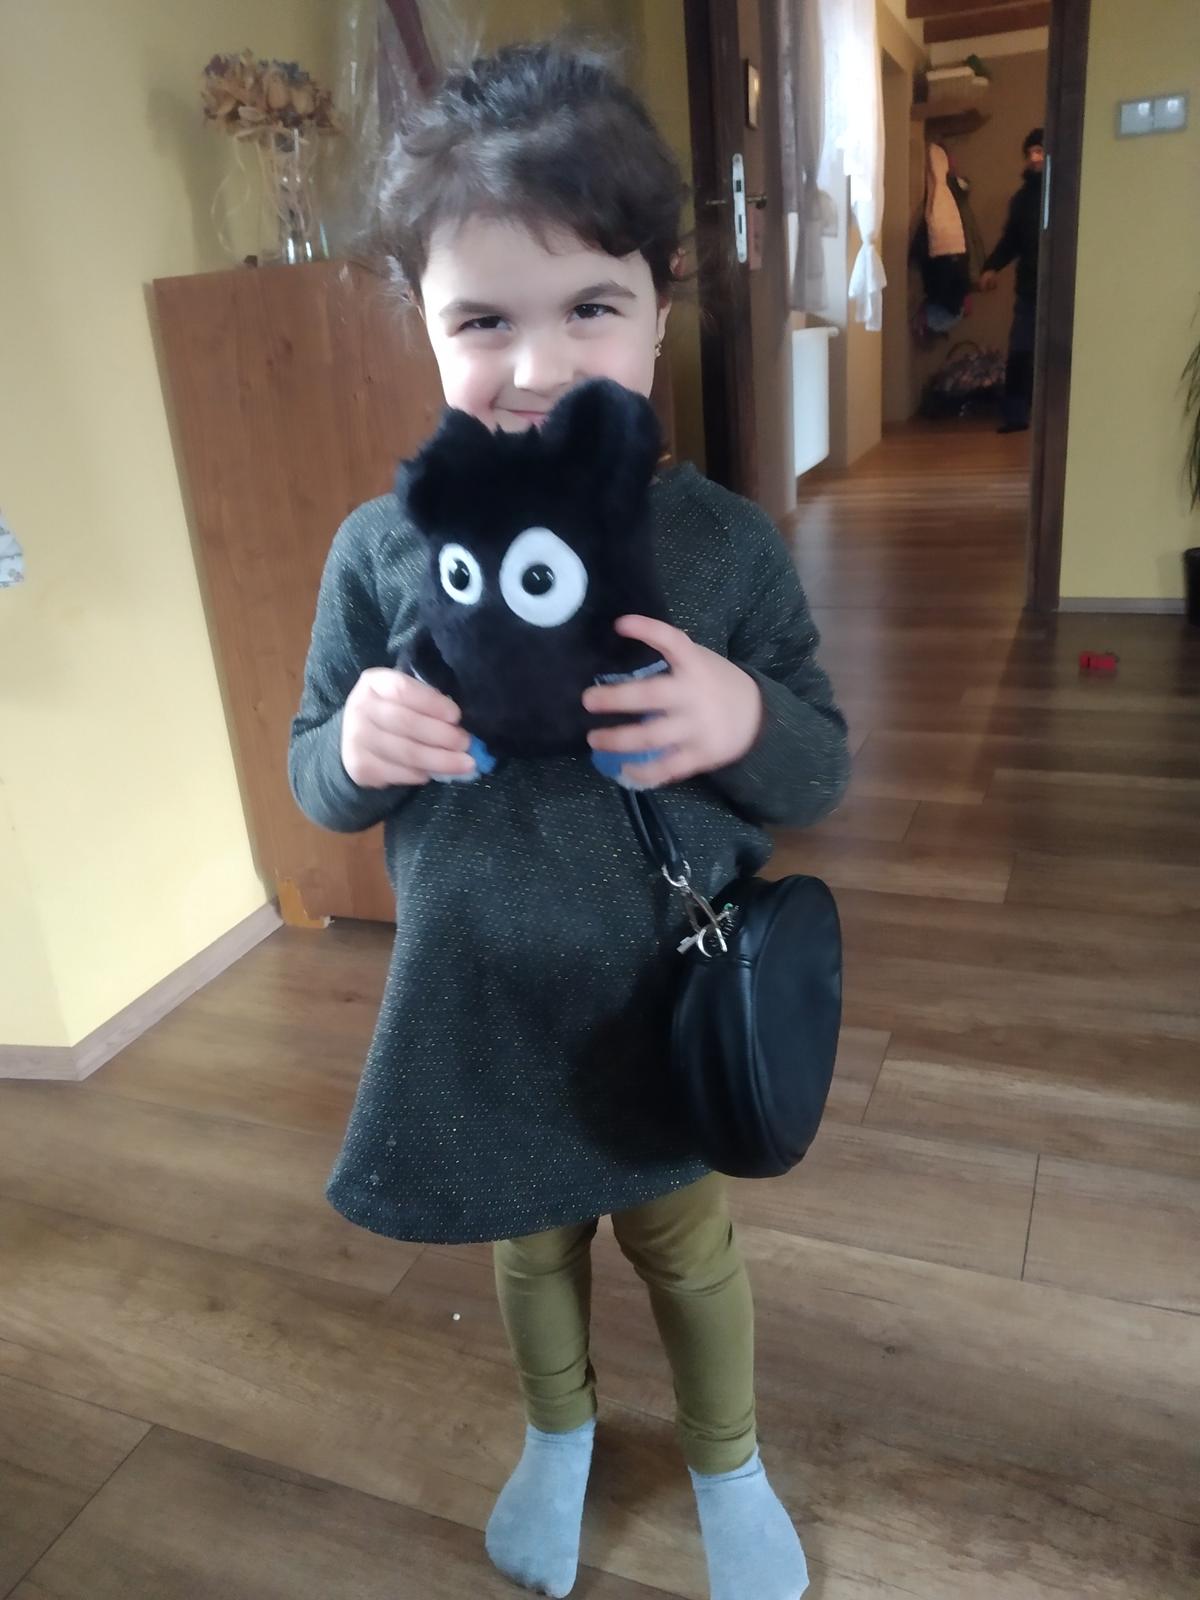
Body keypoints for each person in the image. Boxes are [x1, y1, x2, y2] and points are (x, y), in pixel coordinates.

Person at [289, 41, 849, 1600]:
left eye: (589, 307)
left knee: (685, 1248)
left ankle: (728, 1460)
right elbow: (313, 777)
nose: (535, 367)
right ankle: (558, 1434)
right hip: (478, 1003)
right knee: (527, 1248)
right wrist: (359, 744)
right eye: (482, 320)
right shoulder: (383, 547)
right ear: (421, 324)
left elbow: (819, 766)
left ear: (662, 311)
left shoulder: (723, 547)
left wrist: (744, 721)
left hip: (656, 995)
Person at [980, 126, 1045, 433]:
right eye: (1030, 152)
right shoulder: (1022, 199)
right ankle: (1016, 416)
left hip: (1063, 290)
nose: (1034, 158)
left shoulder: (1069, 192)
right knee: (1020, 352)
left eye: (1040, 151)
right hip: (1029, 289)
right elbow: (1011, 241)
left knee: (1060, 354)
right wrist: (991, 267)